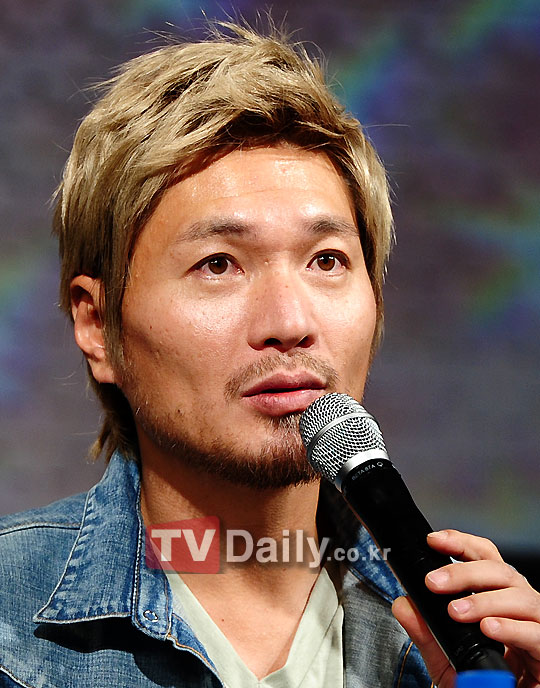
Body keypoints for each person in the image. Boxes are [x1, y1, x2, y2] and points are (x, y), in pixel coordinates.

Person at [0, 22, 538, 688]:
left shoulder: (461, 644)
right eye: (218, 264)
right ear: (97, 324)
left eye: (326, 261)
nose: (290, 322)